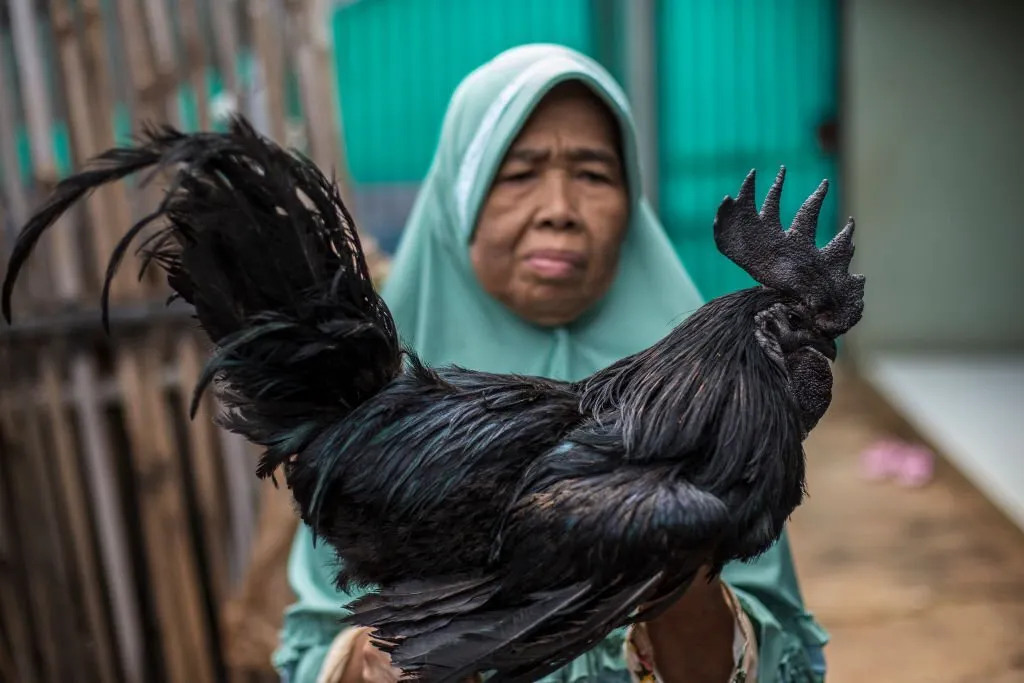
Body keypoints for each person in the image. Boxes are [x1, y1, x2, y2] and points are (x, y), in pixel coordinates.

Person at [273, 44, 829, 683]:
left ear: (630, 199)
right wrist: (370, 662)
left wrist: (679, 572)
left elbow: (786, 659)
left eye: (593, 173)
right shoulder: (378, 403)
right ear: (462, 194)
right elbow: (310, 645)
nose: (559, 208)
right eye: (518, 173)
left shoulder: (717, 409)